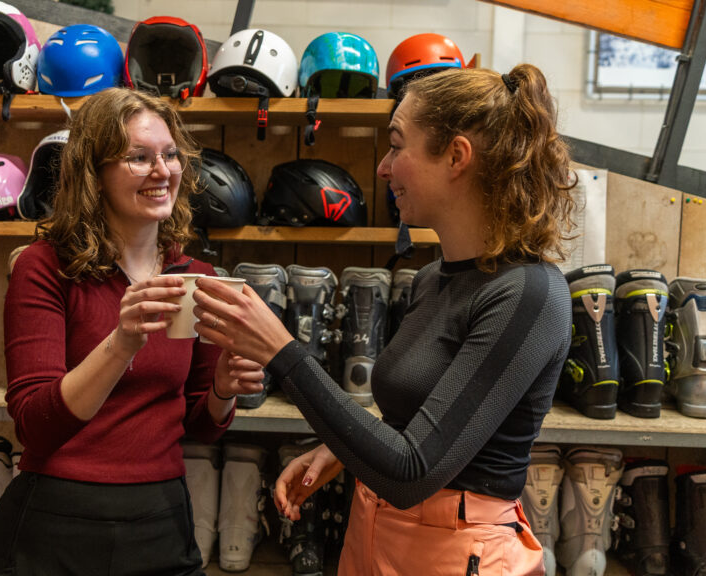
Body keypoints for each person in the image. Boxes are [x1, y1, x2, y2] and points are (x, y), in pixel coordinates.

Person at [192, 64, 576, 576]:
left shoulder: (528, 293)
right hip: (375, 532)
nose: (382, 168)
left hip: (459, 553)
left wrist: (281, 351)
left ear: (456, 157)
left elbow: (412, 472)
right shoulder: (432, 278)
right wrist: (342, 451)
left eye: (396, 146)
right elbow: (420, 421)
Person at [0, 87, 264, 576]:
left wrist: (223, 388)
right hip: (56, 522)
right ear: (94, 173)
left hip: (161, 518)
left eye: (170, 154)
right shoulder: (45, 268)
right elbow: (34, 426)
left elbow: (200, 426)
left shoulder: (195, 277)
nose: (163, 171)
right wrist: (120, 345)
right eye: (139, 157)